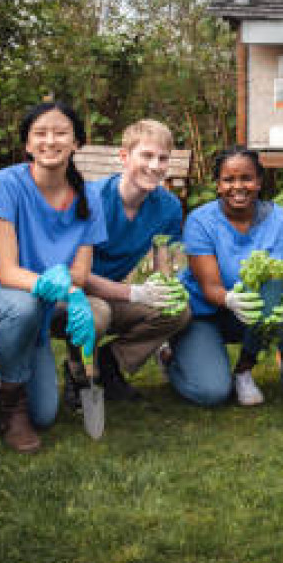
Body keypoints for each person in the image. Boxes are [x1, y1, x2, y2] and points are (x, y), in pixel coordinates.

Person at [0, 101, 106, 453]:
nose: (50, 141)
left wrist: (72, 289)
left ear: (76, 143)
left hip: (35, 303)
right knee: (24, 305)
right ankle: (12, 408)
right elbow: (7, 271)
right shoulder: (6, 185)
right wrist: (58, 288)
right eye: (40, 134)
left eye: (61, 133)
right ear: (27, 144)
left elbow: (81, 271)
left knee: (45, 414)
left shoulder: (88, 197)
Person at [166, 147, 283, 407]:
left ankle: (244, 369)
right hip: (206, 313)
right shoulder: (200, 221)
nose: (238, 186)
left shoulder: (279, 218)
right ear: (218, 185)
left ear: (259, 181)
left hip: (259, 312)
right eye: (228, 180)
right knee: (212, 392)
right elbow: (210, 287)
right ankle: (170, 359)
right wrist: (230, 299)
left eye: (246, 178)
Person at [80, 119, 191, 402]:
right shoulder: (90, 199)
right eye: (147, 155)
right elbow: (76, 274)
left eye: (162, 158)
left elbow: (164, 265)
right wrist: (135, 292)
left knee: (177, 310)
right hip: (71, 295)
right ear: (124, 156)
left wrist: (165, 288)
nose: (155, 166)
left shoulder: (168, 206)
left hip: (114, 295)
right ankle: (78, 374)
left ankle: (112, 362)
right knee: (97, 314)